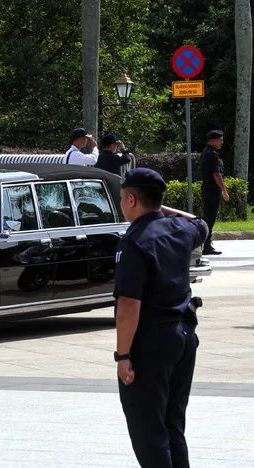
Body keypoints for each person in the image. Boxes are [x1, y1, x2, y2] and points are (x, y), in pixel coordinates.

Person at [113, 167, 208, 468]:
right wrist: (157, 207)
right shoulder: (179, 230)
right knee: (172, 424)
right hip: (183, 339)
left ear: (130, 200)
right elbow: (201, 223)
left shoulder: (134, 241)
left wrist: (123, 355)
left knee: (148, 431)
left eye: (122, 199)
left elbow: (129, 304)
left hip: (151, 345)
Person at [200, 129, 229, 255]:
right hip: (212, 189)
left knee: (209, 216)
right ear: (214, 140)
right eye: (220, 140)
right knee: (209, 218)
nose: (222, 143)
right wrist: (224, 190)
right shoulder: (211, 154)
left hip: (208, 188)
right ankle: (205, 245)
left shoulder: (208, 152)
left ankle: (206, 243)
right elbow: (216, 174)